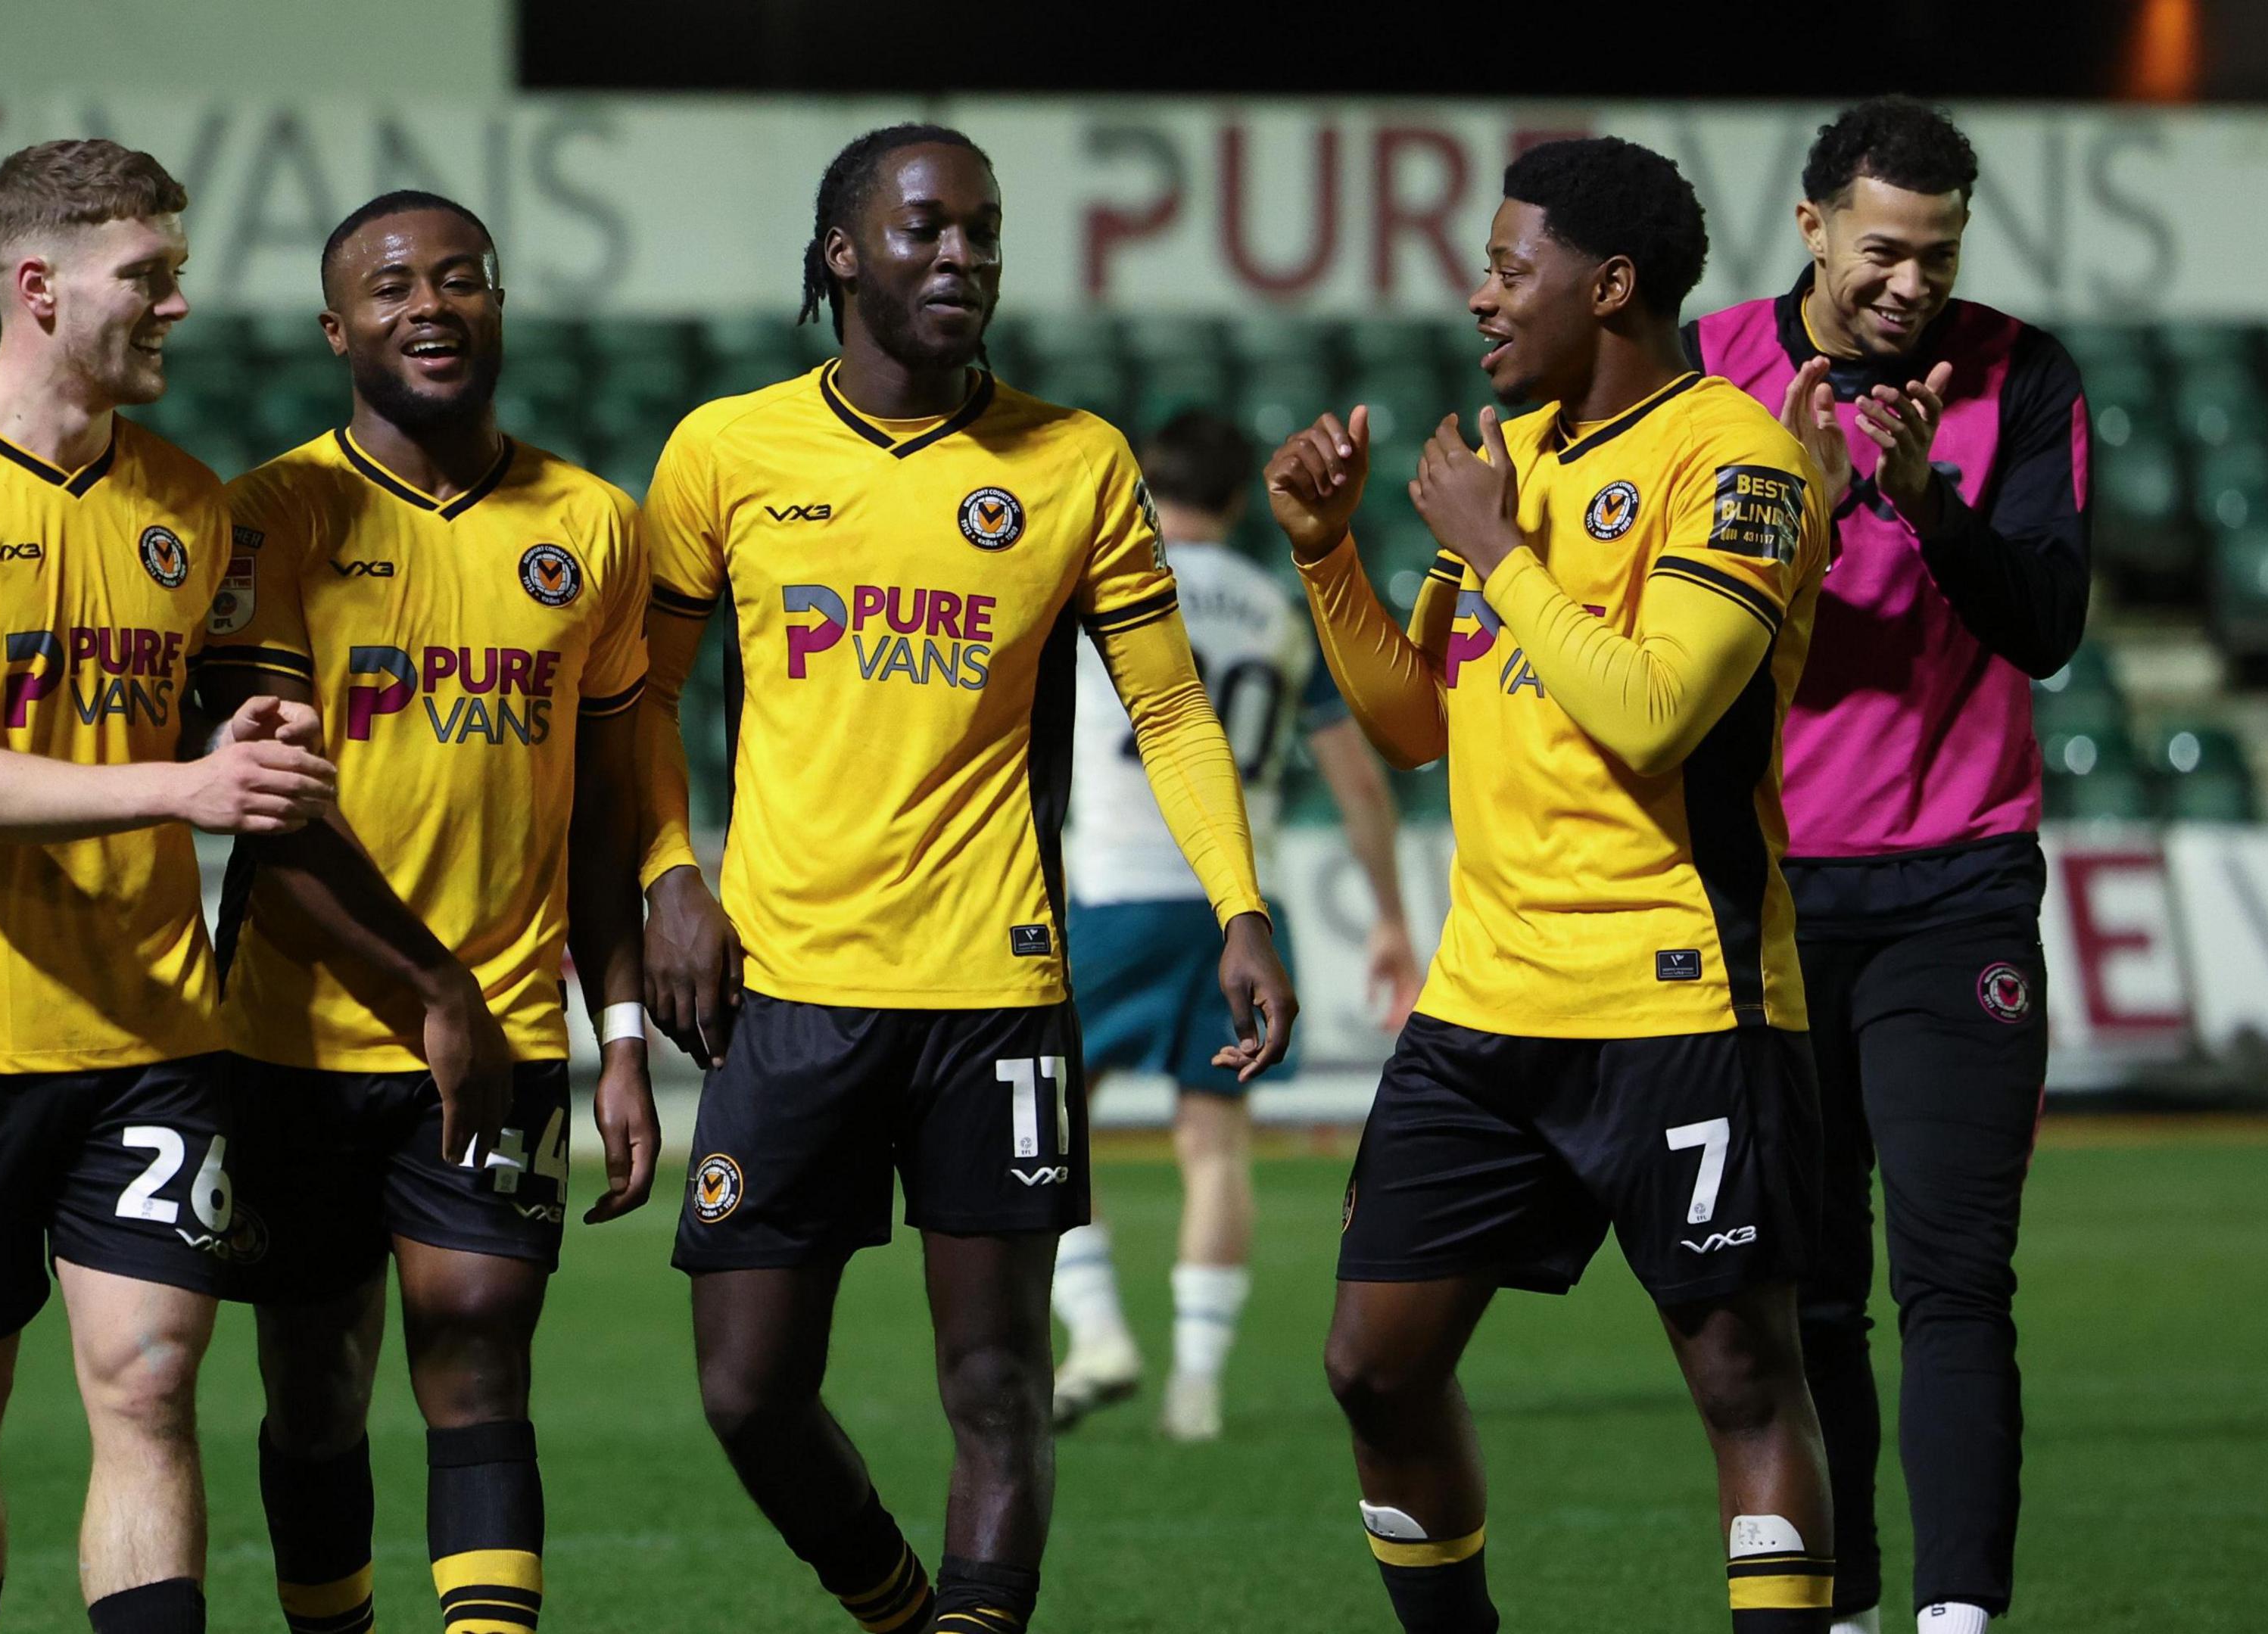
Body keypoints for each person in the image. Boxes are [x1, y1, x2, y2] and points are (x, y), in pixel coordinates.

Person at [636, 123, 1299, 1634]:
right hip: (790, 986)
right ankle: (897, 1607)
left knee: (998, 1380)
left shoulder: (1074, 463)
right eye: (928, 230)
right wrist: (672, 871)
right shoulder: (726, 454)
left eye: (984, 233)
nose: (963, 259)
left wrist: (1241, 909)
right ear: (842, 253)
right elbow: (642, 698)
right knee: (748, 1392)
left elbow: (1172, 708)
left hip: (995, 994)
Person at [1276, 136, 1840, 1634]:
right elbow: (1413, 725)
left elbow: (1660, 708)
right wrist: (1330, 558)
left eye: (1510, 268)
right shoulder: (1511, 457)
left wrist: (1493, 551)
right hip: (1487, 1003)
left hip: (1683, 991)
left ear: (1613, 286)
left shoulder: (1742, 465)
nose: (1479, 296)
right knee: (1370, 1365)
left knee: (1739, 1375)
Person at [0, 139, 343, 1634]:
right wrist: (185, 789)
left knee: (152, 1384)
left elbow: (179, 738)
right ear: (41, 288)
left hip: (156, 1040)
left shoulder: (195, 506)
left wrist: (231, 740)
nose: (177, 305)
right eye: (150, 277)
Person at [195, 190, 659, 1634]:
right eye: (392, 286)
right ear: (339, 330)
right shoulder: (273, 516)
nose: (432, 304)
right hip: (297, 1037)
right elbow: (270, 813)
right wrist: (428, 988)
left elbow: (603, 810)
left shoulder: (591, 525)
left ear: (501, 307)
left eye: (462, 279)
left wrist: (625, 1030)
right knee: (316, 1390)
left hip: (508, 1029)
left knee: (478, 1363)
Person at [1687, 96, 2089, 1634]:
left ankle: (1960, 1619)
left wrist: (1927, 505)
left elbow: (2045, 623)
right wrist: (1800, 499)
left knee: (1954, 1278)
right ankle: (1842, 1611)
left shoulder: (2020, 374)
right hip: (1771, 893)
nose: (1912, 284)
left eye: (1937, 254)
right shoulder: (1710, 375)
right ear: (1808, 230)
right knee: (1810, 1296)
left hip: (1957, 887)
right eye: (1881, 252)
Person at [1046, 407, 1424, 1443]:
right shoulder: (1272, 606)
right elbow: (1356, 782)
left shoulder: (1109, 590)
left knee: (1036, 1125)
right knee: (1215, 1145)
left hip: (1116, 894)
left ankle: (1098, 1333)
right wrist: (1391, 918)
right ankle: (1198, 1384)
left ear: (1149, 488)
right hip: (1234, 909)